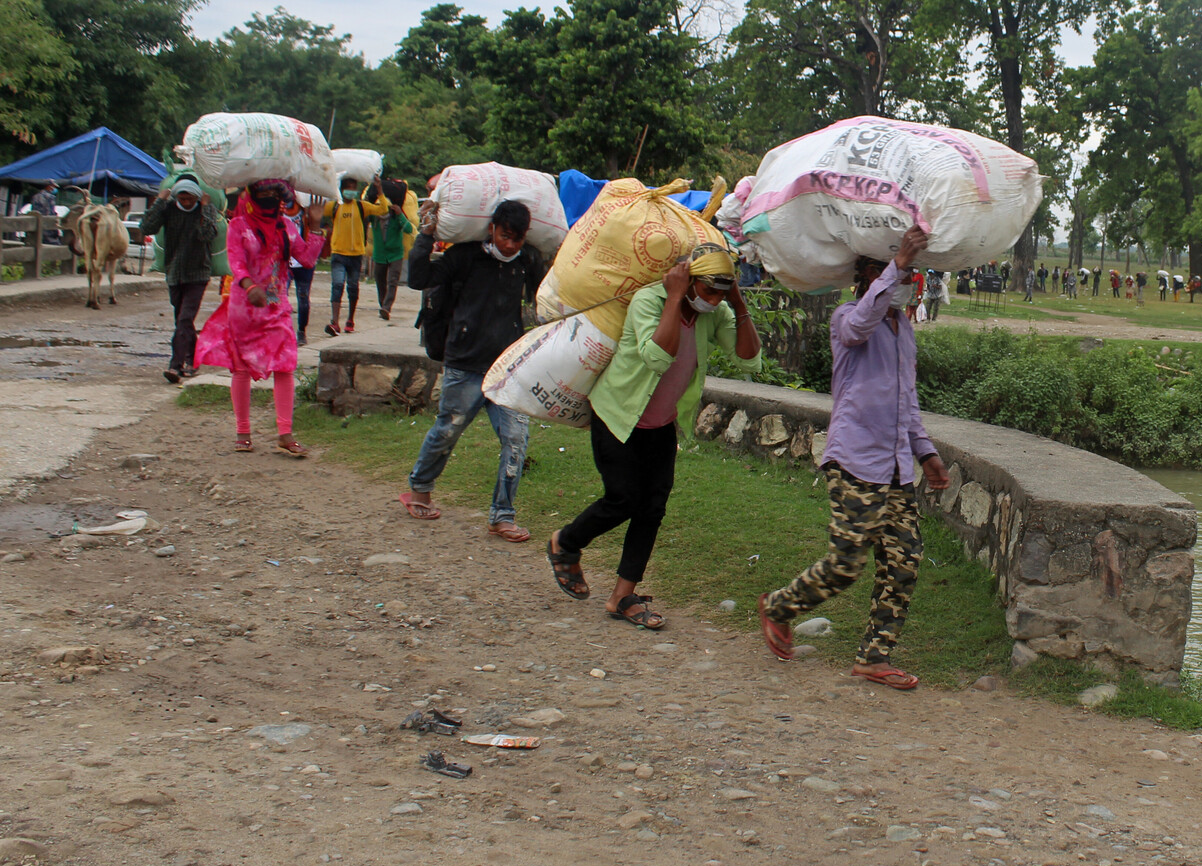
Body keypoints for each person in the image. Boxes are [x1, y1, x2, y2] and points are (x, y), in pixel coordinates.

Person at [759, 226, 951, 690]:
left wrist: (925, 452)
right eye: (887, 270)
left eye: (907, 273)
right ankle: (779, 608)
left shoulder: (904, 329)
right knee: (846, 562)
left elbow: (908, 399)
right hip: (855, 463)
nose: (903, 279)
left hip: (896, 470)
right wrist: (898, 265)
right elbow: (859, 326)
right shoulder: (846, 317)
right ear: (865, 277)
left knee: (904, 561)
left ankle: (873, 657)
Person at [547, 244, 760, 629]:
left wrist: (737, 301)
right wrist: (675, 297)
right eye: (708, 290)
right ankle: (566, 542)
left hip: (661, 424)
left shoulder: (716, 312)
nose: (713, 300)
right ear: (688, 280)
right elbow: (657, 357)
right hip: (617, 415)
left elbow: (748, 357)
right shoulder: (650, 300)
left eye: (720, 291)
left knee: (652, 508)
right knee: (623, 498)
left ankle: (622, 596)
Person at [399, 199, 545, 542]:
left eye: (518, 238)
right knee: (447, 430)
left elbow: (546, 295)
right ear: (492, 228)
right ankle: (420, 488)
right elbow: (419, 277)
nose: (511, 245)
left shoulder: (527, 262)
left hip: (509, 368)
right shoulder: (463, 257)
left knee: (516, 441)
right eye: (505, 236)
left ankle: (502, 515)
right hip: (465, 364)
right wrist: (425, 236)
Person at [194, 179, 322, 457]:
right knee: (241, 369)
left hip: (277, 307)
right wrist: (250, 287)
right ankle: (243, 431)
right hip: (244, 308)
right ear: (251, 196)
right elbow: (236, 264)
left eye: (274, 195)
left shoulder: (287, 227)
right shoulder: (238, 227)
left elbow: (308, 259)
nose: (268, 199)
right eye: (262, 194)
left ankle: (285, 434)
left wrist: (317, 226)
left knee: (285, 366)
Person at [141, 180, 219, 384]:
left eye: (189, 198)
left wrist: (206, 207)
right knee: (182, 322)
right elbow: (146, 227)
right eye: (181, 198)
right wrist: (159, 201)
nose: (185, 202)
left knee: (184, 320)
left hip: (198, 274)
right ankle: (193, 360)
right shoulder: (168, 210)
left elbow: (207, 234)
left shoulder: (203, 211)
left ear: (196, 197)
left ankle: (175, 366)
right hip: (174, 273)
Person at [323, 178, 391, 335]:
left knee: (353, 288)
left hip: (356, 255)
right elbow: (317, 209)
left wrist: (379, 189)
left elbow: (383, 210)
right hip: (338, 254)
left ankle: (350, 320)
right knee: (337, 285)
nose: (351, 190)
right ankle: (335, 322)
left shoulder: (361, 206)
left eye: (354, 188)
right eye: (348, 187)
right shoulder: (334, 206)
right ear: (341, 190)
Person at [369, 178, 416, 322]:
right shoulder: (374, 217)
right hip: (379, 255)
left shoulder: (397, 218)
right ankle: (382, 304)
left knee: (392, 281)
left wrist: (400, 213)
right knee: (380, 281)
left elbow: (408, 229)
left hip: (396, 254)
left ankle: (387, 307)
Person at [288, 195, 322, 345]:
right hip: (284, 262)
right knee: (277, 298)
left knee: (303, 298)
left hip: (302, 261)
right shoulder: (277, 211)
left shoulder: (306, 211)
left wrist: (315, 225)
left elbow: (309, 258)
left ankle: (302, 332)